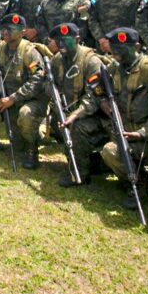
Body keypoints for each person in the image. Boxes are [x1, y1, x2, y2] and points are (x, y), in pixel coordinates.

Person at [96, 27, 148, 211]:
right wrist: (103, 101)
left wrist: (141, 133)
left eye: (122, 48)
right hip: (123, 130)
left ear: (137, 46)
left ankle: (145, 180)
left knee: (110, 151)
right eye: (114, 48)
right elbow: (97, 88)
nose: (117, 53)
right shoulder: (114, 68)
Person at [48, 23, 107, 187]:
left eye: (66, 40)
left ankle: (80, 172)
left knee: (77, 127)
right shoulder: (57, 59)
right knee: (56, 122)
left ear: (78, 39)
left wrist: (75, 115)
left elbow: (94, 97)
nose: (61, 44)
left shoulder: (91, 61)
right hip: (69, 111)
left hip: (94, 116)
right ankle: (86, 158)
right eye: (58, 41)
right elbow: (49, 82)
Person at [0, 14, 47, 169]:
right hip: (10, 99)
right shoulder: (1, 48)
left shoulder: (30, 52)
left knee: (26, 115)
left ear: (22, 32)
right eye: (4, 29)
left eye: (11, 29)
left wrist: (14, 98)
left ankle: (32, 151)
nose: (6, 32)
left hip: (32, 101)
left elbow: (37, 80)